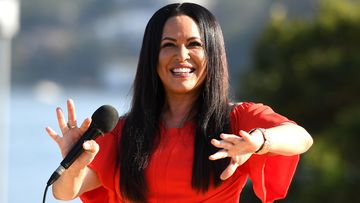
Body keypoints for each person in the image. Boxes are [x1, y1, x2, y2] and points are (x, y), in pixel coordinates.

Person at [46, 2, 313, 203]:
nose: (181, 56)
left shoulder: (236, 119)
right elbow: (64, 191)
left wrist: (259, 141)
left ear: (212, 54)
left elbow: (300, 138)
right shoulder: (124, 131)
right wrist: (74, 164)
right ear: (153, 57)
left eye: (194, 44)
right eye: (169, 45)